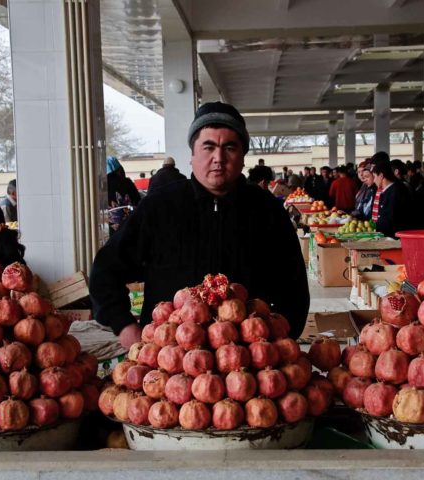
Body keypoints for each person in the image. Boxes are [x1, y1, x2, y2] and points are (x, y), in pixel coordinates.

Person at [89, 101, 309, 348]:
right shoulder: (159, 207)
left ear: (243, 157)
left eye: (229, 147)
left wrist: (282, 338)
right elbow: (105, 271)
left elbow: (294, 287)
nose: (218, 158)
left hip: (249, 364)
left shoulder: (266, 211)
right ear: (192, 155)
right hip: (169, 364)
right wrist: (124, 326)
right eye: (208, 147)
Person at [370, 153, 411, 238]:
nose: (374, 181)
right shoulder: (388, 190)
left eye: (374, 176)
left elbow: (392, 219)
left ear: (381, 176)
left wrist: (373, 228)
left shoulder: (396, 190)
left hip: (395, 238)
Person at [106, 156, 142, 234]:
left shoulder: (101, 186)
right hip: (129, 226)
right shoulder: (127, 183)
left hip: (109, 229)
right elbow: (138, 202)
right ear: (120, 169)